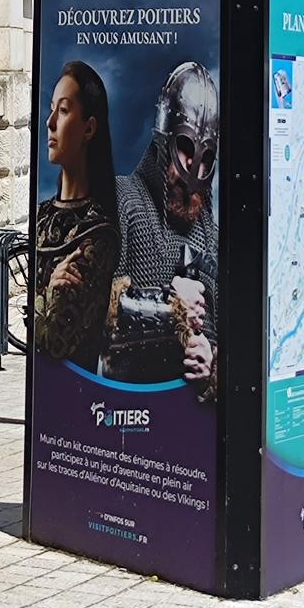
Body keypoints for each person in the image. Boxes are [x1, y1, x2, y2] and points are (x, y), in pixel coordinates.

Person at [106, 60, 218, 391]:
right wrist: (170, 306)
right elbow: (96, 308)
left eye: (206, 155)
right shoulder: (122, 199)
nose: (193, 164)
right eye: (185, 146)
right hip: (129, 401)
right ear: (163, 140)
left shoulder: (207, 227)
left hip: (186, 412)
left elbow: (218, 318)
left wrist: (210, 355)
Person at [34, 60, 121, 363]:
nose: (50, 122)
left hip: (78, 395)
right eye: (51, 108)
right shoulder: (43, 215)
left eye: (64, 110)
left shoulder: (98, 234)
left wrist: (35, 299)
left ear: (89, 128)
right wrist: (46, 295)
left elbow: (54, 343)